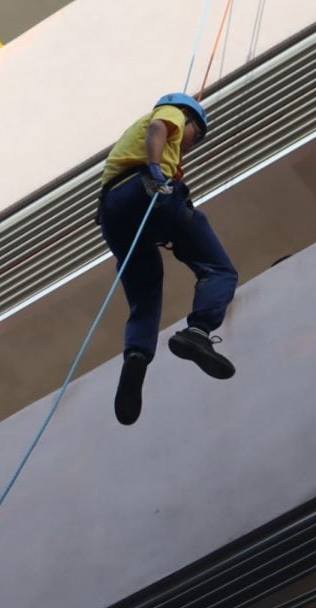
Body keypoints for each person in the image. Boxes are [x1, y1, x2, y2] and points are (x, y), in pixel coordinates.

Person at [97, 93, 238, 426]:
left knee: (145, 296)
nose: (193, 143)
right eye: (197, 134)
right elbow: (160, 127)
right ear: (188, 118)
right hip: (146, 191)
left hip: (113, 216)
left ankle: (136, 357)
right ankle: (199, 331)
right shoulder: (171, 113)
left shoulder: (126, 145)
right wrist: (158, 170)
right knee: (220, 269)